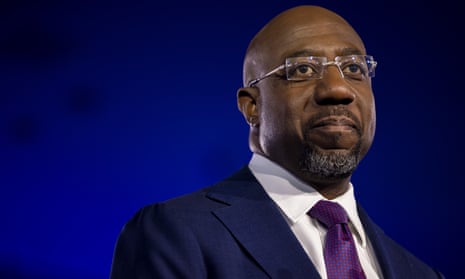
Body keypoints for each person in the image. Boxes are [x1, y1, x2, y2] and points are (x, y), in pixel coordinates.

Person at [110, 5, 444, 279]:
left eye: (354, 68)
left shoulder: (420, 273)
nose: (338, 90)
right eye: (301, 70)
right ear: (251, 106)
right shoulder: (177, 234)